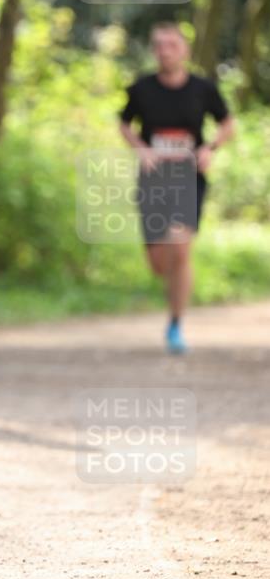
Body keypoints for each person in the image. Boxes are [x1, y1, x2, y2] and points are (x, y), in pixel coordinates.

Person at [119, 22, 234, 354]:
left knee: (181, 247)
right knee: (160, 263)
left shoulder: (203, 89)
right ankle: (172, 286)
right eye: (159, 45)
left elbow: (227, 124)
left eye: (172, 45)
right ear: (153, 51)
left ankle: (175, 324)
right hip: (153, 180)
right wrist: (141, 149)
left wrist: (210, 148)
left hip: (189, 178)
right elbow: (124, 124)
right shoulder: (141, 89)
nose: (165, 51)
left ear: (184, 50)